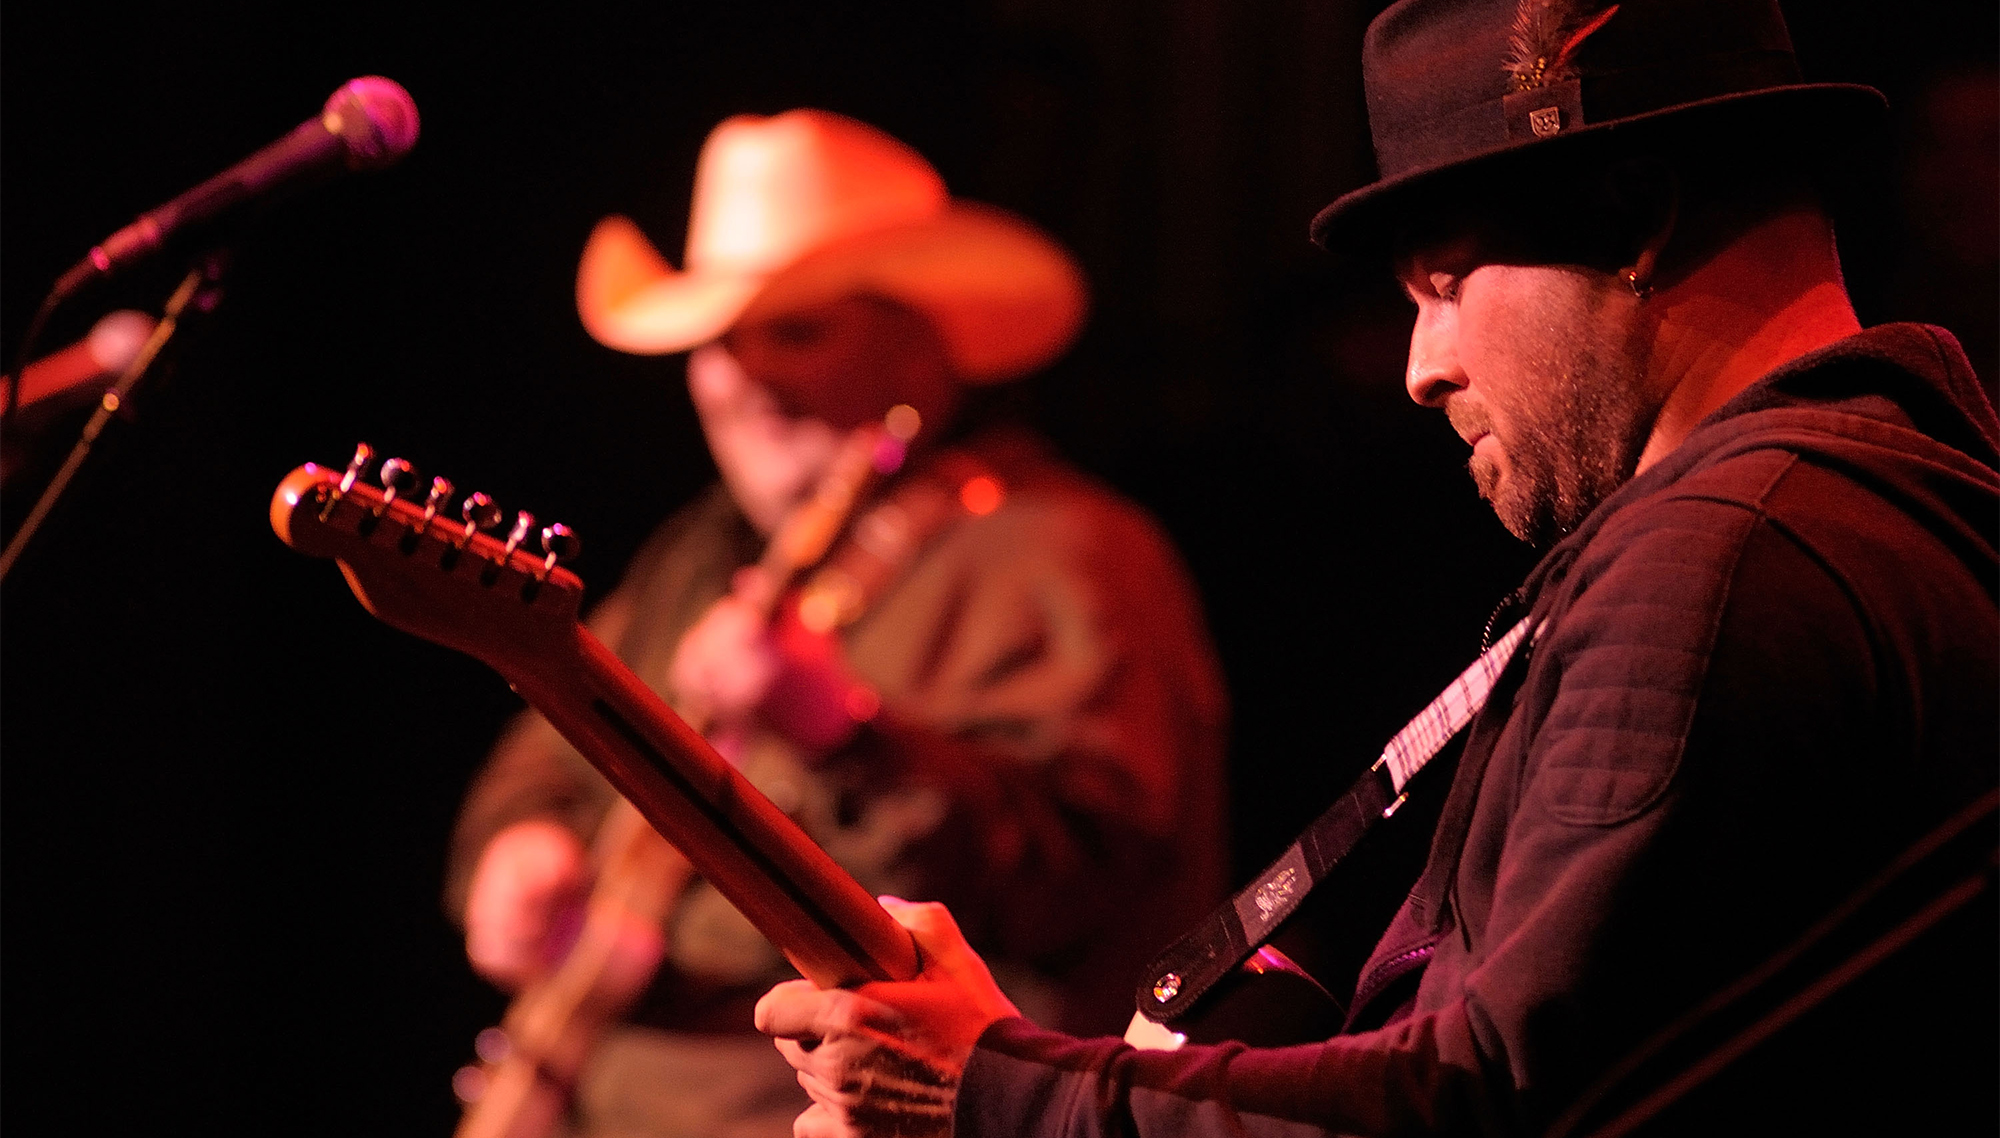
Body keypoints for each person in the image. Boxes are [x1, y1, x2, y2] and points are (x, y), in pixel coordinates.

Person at [752, 2, 2000, 1134]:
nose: (1419, 368)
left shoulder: (1716, 561)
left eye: (1444, 286)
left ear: (1630, 216)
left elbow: (1484, 1107)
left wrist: (991, 1090)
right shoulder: (1896, 509)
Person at [446, 110, 1229, 1136]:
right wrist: (519, 844)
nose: (738, 377)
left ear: (918, 350)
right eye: (712, 342)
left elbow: (1090, 878)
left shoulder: (1063, 550)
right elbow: (550, 743)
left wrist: (842, 735)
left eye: (795, 331)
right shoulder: (695, 554)